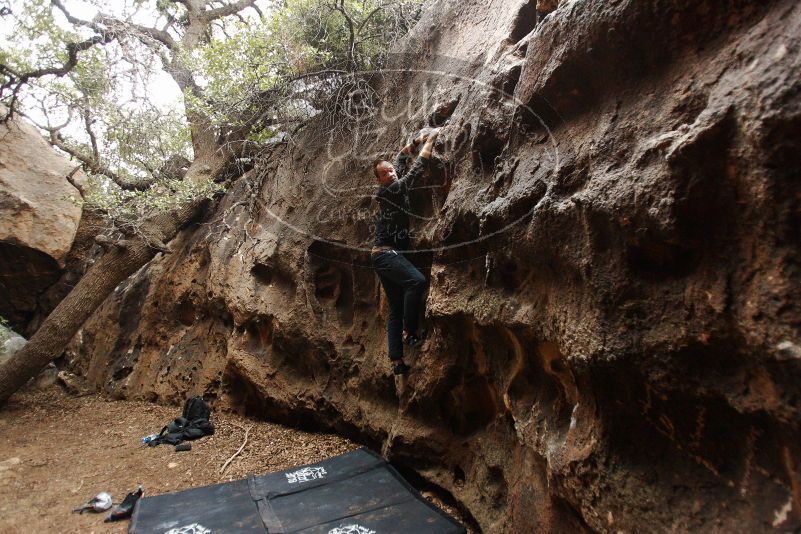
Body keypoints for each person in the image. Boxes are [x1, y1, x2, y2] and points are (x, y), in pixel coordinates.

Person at [371, 128, 441, 378]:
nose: (390, 173)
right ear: (379, 180)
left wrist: (416, 140)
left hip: (383, 255)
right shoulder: (391, 190)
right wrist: (430, 141)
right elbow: (416, 171)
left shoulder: (393, 182)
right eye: (385, 173)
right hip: (386, 254)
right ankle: (409, 332)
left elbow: (401, 158)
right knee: (417, 281)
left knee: (396, 308)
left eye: (390, 170)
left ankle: (397, 360)